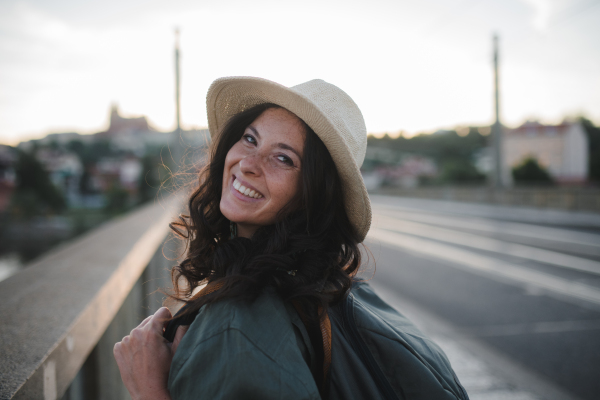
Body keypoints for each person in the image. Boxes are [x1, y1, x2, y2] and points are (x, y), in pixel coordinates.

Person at [114, 77, 467, 400]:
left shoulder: (237, 325)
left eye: (283, 158)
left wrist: (150, 392)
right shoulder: (336, 287)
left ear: (313, 195)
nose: (249, 164)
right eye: (250, 139)